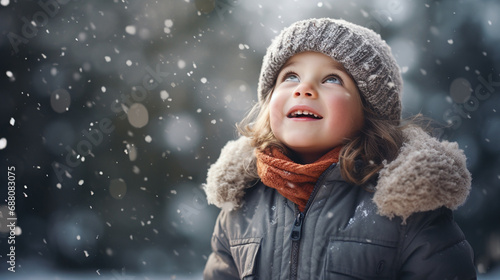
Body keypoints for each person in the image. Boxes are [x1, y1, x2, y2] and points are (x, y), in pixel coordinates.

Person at [203, 18, 477, 279]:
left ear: (369, 112)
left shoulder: (408, 210)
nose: (304, 88)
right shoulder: (241, 206)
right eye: (291, 76)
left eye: (332, 79)